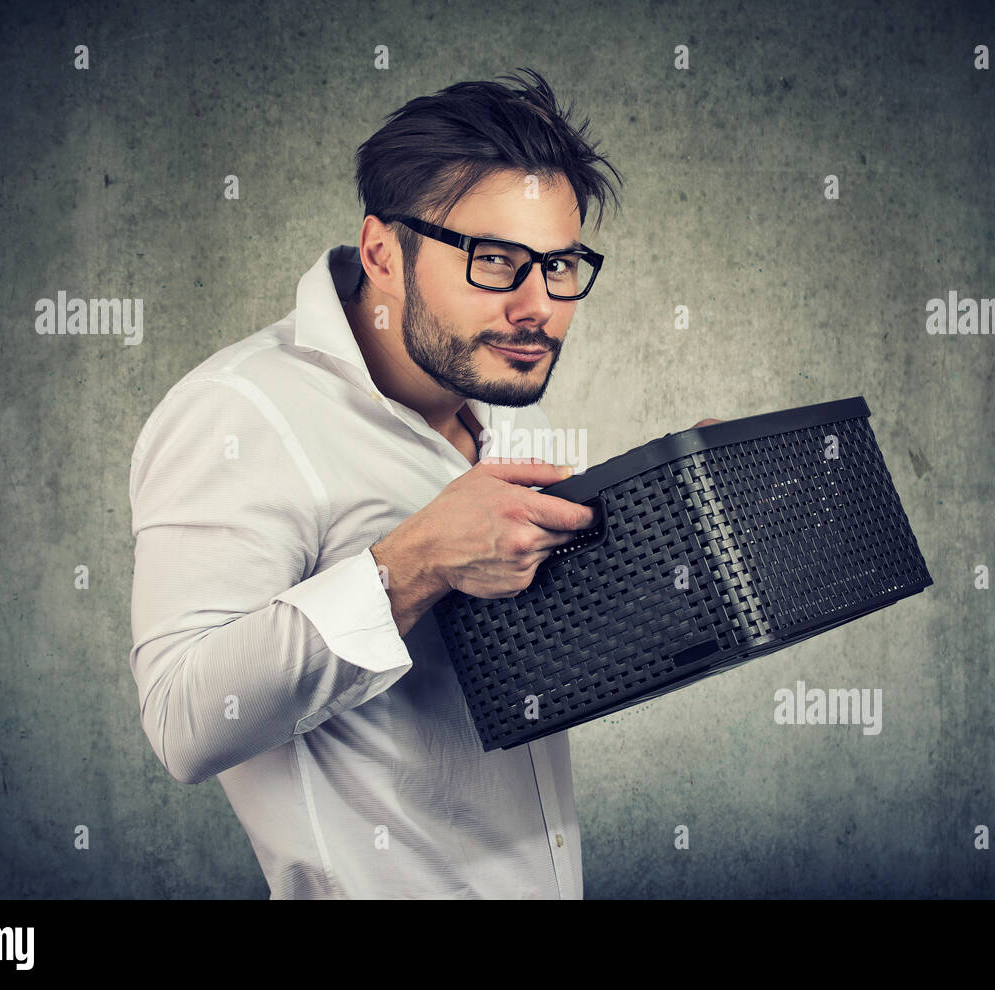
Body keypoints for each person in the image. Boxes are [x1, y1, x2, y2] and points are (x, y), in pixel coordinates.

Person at [128, 67, 712, 899]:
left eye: (561, 266)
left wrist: (690, 503)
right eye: (496, 260)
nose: (537, 306)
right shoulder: (239, 413)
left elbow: (520, 665)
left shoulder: (499, 401)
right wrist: (413, 564)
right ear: (381, 253)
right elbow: (184, 721)